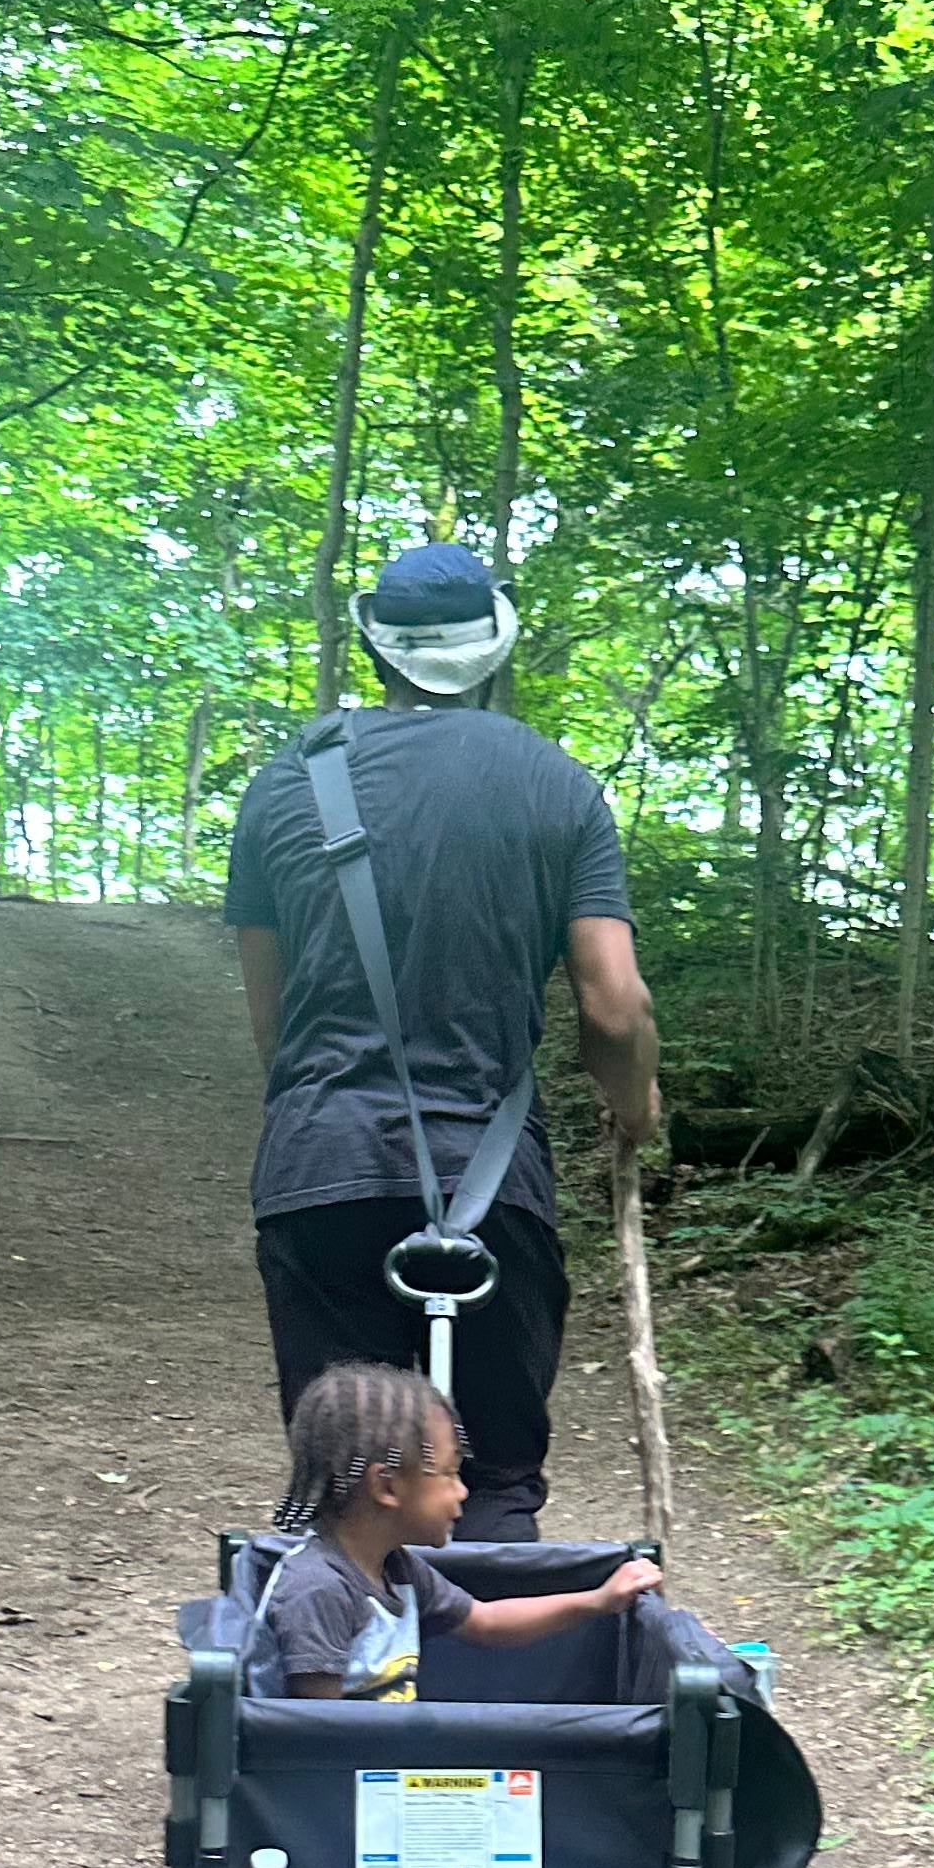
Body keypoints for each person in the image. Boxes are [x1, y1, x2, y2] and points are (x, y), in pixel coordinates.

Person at [226, 538, 662, 1541]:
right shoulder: (559, 786)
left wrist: (325, 1116)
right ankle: (495, 1674)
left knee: (346, 1495)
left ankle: (334, 1683)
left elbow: (271, 1016)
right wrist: (636, 1111)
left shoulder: (287, 783)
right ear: (497, 652)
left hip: (319, 1167)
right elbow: (615, 1008)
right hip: (491, 1183)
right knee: (494, 1481)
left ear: (377, 650)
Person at [262, 1363, 661, 1701]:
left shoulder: (396, 1569)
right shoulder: (319, 1591)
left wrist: (597, 1601)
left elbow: (485, 1621)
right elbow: (312, 1738)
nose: (464, 1491)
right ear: (387, 1487)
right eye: (450, 1474)